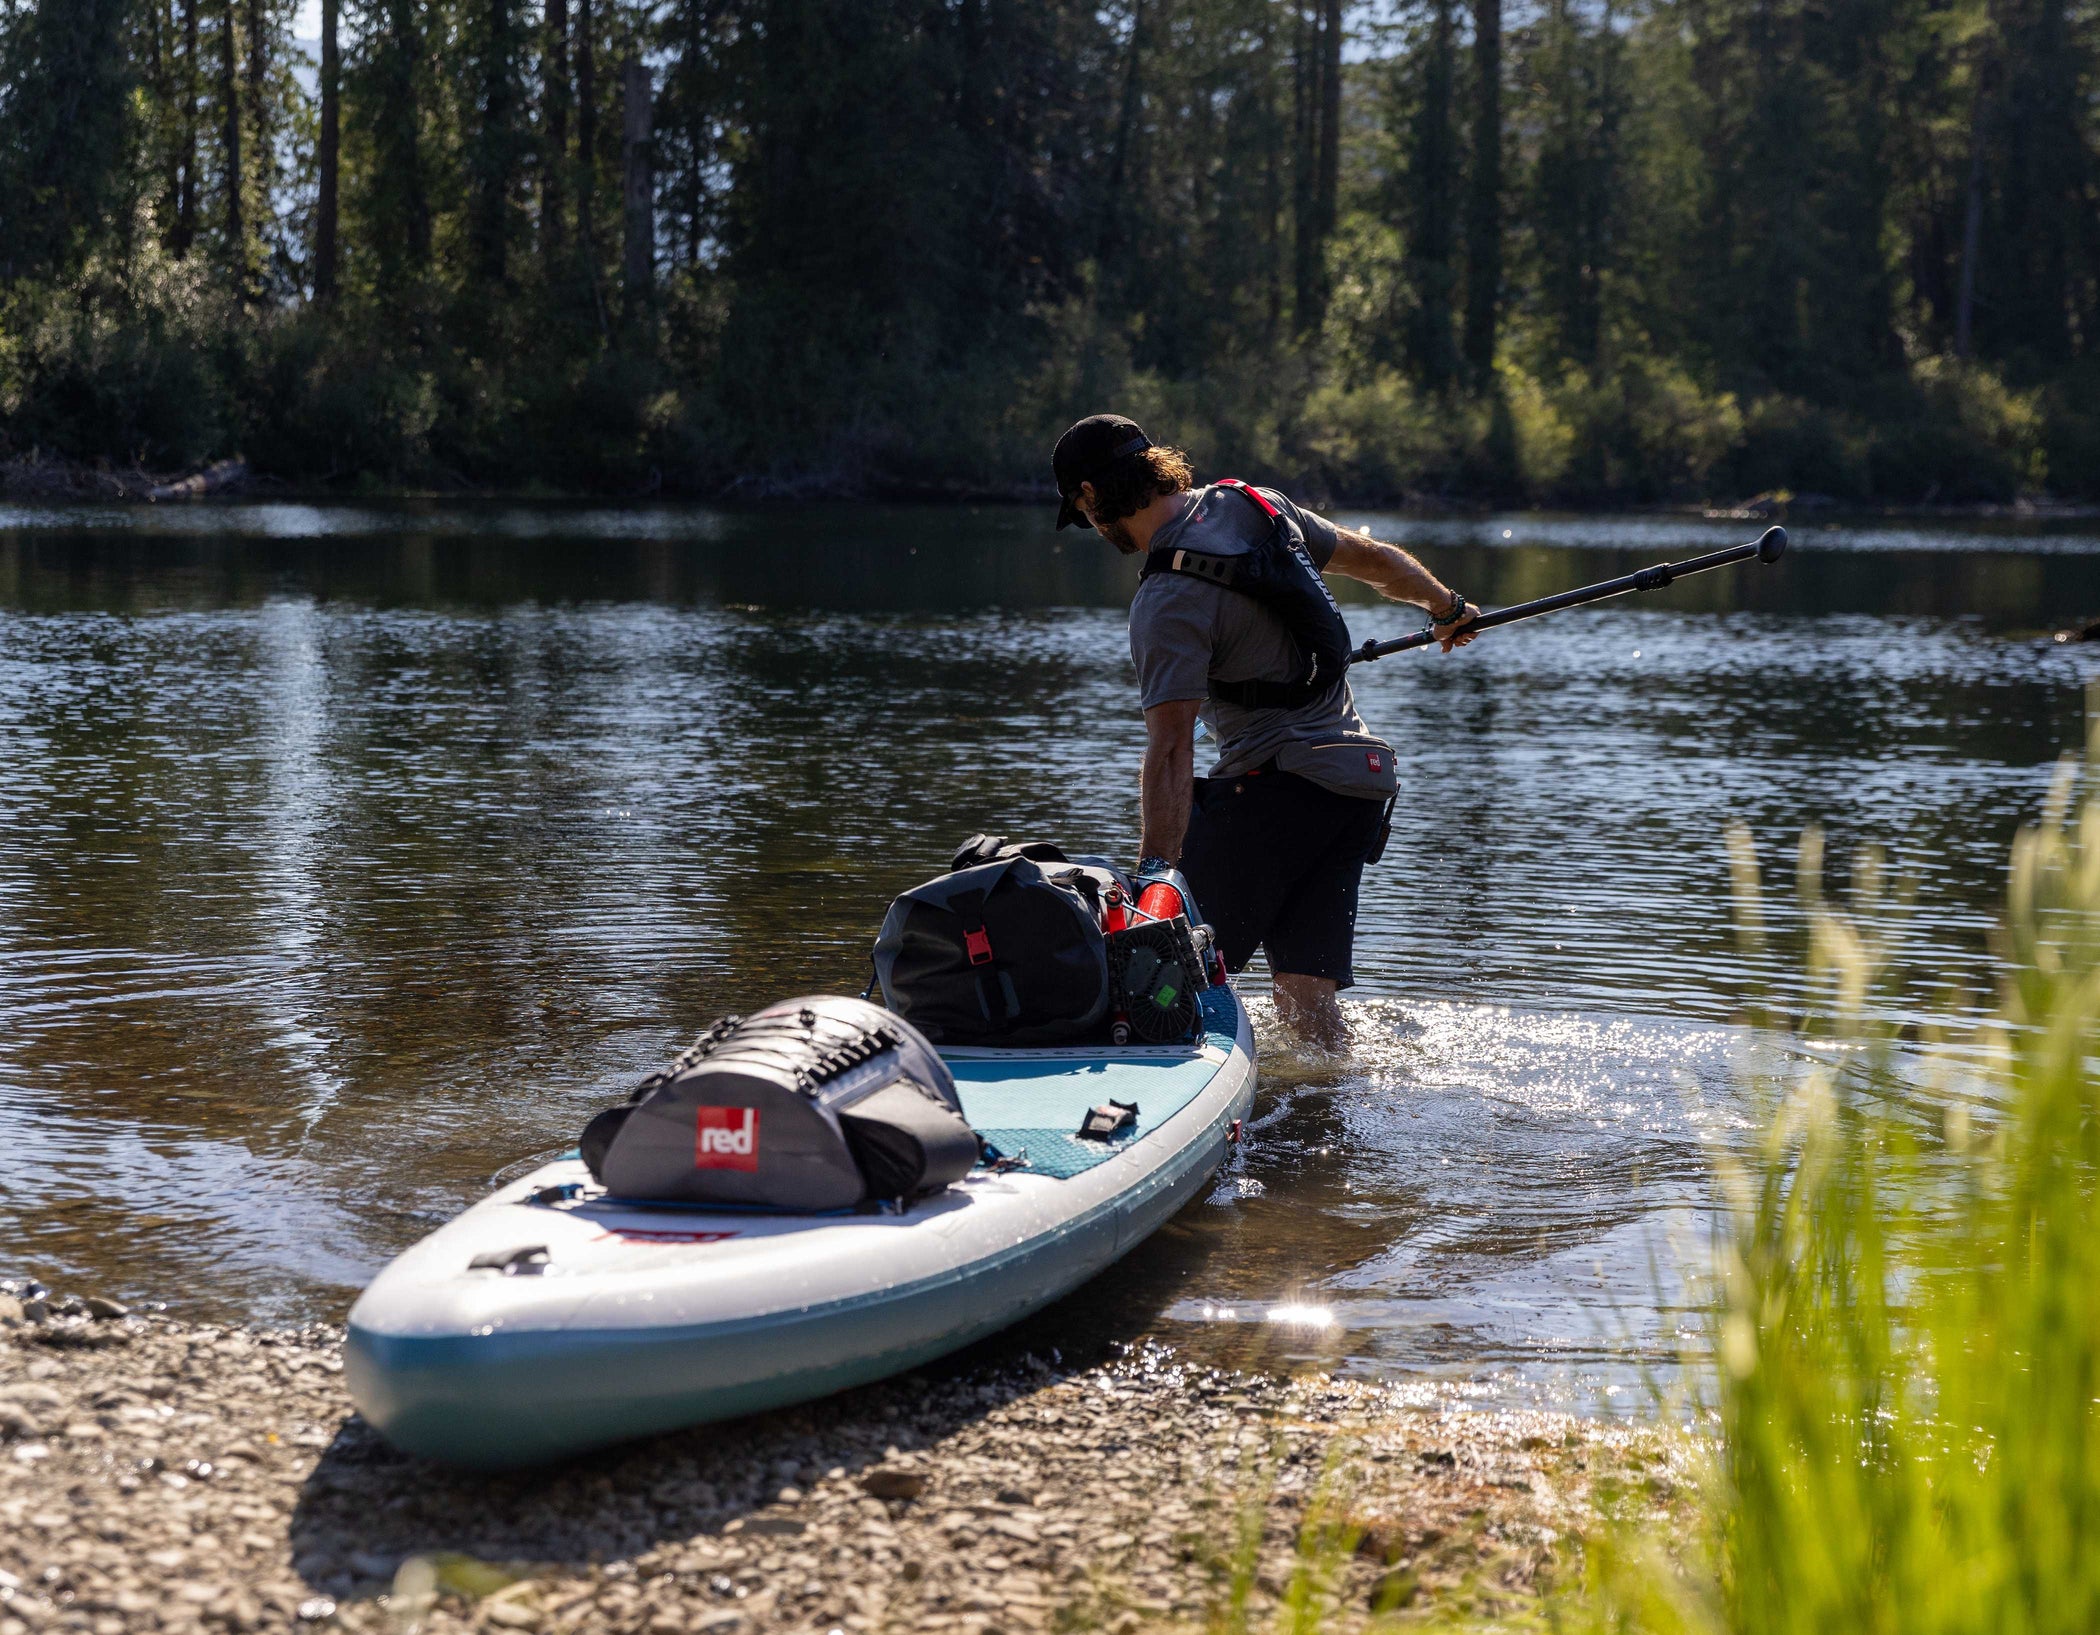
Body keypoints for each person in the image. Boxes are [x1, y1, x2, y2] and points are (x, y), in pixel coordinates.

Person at [1052, 413, 1479, 1047]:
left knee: (1152, 984)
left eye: (1083, 512)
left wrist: (1157, 882)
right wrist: (1446, 608)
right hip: (1353, 791)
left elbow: (1170, 752)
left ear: (1091, 497)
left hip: (1274, 796)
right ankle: (1319, 1127)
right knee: (1310, 1020)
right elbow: (1375, 560)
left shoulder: (1166, 599)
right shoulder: (1256, 505)